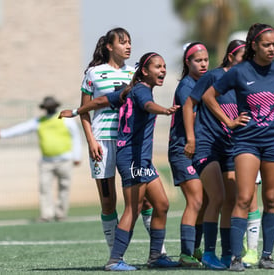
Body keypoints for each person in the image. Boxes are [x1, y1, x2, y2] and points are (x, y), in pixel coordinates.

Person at [202, 23, 274, 271]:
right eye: (267, 45)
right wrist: (229, 121)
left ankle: (267, 256)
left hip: (273, 141)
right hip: (246, 141)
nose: (272, 49)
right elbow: (208, 96)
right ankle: (236, 258)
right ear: (254, 46)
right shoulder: (239, 71)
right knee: (245, 197)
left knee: (271, 199)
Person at [62, 52, 180, 271]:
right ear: (144, 71)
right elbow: (148, 106)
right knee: (132, 209)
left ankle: (156, 257)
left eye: (164, 66)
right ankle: (115, 260)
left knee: (162, 204)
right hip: (131, 158)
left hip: (142, 159)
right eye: (157, 67)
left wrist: (77, 111)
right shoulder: (143, 91)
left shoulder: (130, 90)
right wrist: (164, 110)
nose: (162, 70)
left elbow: (100, 101)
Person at [79, 27, 155, 252]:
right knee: (108, 202)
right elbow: (84, 110)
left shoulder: (135, 73)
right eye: (123, 42)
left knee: (146, 200)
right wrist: (91, 141)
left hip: (129, 143)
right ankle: (115, 255)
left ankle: (157, 252)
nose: (128, 46)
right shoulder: (93, 73)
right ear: (110, 46)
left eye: (130, 42)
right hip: (102, 142)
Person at [183, 39, 246, 270]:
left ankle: (228, 254)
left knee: (231, 199)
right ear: (230, 57)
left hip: (230, 146)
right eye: (242, 56)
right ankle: (209, 253)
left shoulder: (245, 80)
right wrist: (191, 138)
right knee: (217, 198)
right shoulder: (213, 76)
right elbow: (189, 105)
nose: (246, 61)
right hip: (206, 145)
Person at [0, 96, 82, 222]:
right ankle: (47, 214)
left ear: (56, 107)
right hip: (46, 161)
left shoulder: (66, 120)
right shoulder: (39, 121)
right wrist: (3, 134)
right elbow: (22, 129)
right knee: (44, 188)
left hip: (65, 160)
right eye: (48, 107)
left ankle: (61, 213)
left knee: (64, 187)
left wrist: (77, 156)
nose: (50, 109)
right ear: (44, 108)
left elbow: (76, 137)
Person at [168, 42, 208, 267]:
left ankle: (194, 249)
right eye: (197, 60)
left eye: (205, 60)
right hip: (183, 149)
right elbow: (189, 116)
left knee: (204, 201)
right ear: (188, 62)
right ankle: (185, 254)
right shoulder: (186, 86)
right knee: (196, 200)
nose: (203, 64)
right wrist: (192, 140)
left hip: (198, 149)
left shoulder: (202, 83)